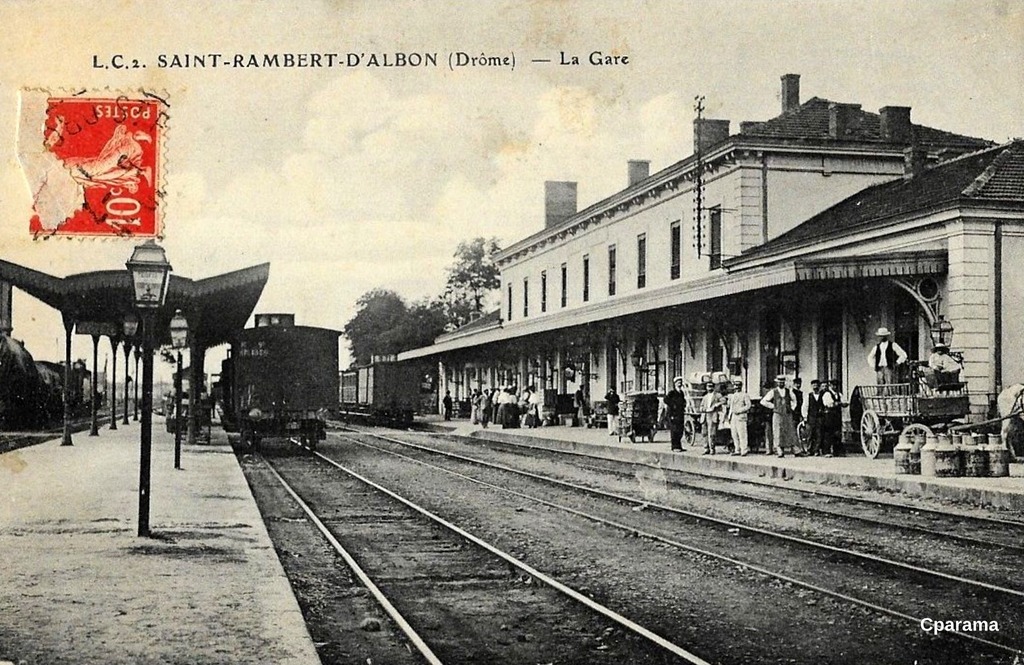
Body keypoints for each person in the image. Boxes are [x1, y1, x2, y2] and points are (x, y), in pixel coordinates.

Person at [759, 375, 797, 457]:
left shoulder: (788, 391)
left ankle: (794, 449)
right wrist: (773, 406)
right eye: (780, 382)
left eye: (783, 382)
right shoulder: (773, 391)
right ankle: (779, 450)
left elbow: (794, 400)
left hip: (787, 414)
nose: (781, 383)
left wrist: (792, 408)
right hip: (777, 414)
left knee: (789, 430)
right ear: (777, 382)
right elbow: (763, 401)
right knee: (777, 431)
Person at [700, 381, 727, 454]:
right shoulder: (705, 397)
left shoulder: (717, 395)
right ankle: (706, 448)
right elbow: (701, 406)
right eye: (708, 386)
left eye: (711, 386)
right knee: (704, 432)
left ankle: (712, 448)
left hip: (712, 415)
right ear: (706, 387)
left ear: (713, 387)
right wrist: (703, 409)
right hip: (705, 415)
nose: (709, 388)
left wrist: (716, 405)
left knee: (712, 433)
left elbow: (724, 401)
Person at [727, 378, 752, 456]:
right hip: (733, 417)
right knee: (734, 434)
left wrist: (740, 410)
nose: (736, 387)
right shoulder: (733, 396)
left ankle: (744, 450)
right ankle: (737, 449)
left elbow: (748, 405)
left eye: (738, 385)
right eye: (735, 385)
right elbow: (730, 406)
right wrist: (729, 416)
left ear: (741, 386)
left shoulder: (745, 395)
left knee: (742, 434)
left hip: (741, 416)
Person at [665, 377, 689, 452]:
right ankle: (674, 446)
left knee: (680, 430)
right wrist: (673, 405)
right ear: (675, 383)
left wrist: (684, 404)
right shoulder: (672, 393)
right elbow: (666, 399)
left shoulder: (681, 393)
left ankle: (679, 446)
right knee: (674, 430)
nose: (680, 383)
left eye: (680, 382)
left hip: (680, 414)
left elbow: (683, 401)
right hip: (673, 414)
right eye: (678, 382)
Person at [822, 380, 844, 456]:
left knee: (837, 433)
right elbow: (829, 404)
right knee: (828, 433)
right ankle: (826, 451)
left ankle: (836, 451)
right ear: (830, 385)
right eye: (833, 385)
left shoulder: (839, 394)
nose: (834, 387)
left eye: (836, 385)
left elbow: (844, 402)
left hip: (837, 415)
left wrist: (841, 403)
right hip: (829, 415)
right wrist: (837, 403)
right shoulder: (827, 394)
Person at [805, 379, 824, 456]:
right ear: (811, 386)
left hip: (819, 417)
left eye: (817, 385)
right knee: (810, 434)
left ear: (819, 387)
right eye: (814, 385)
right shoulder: (808, 396)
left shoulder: (822, 395)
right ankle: (809, 450)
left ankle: (816, 450)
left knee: (818, 434)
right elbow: (805, 406)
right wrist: (805, 417)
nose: (815, 387)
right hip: (811, 417)